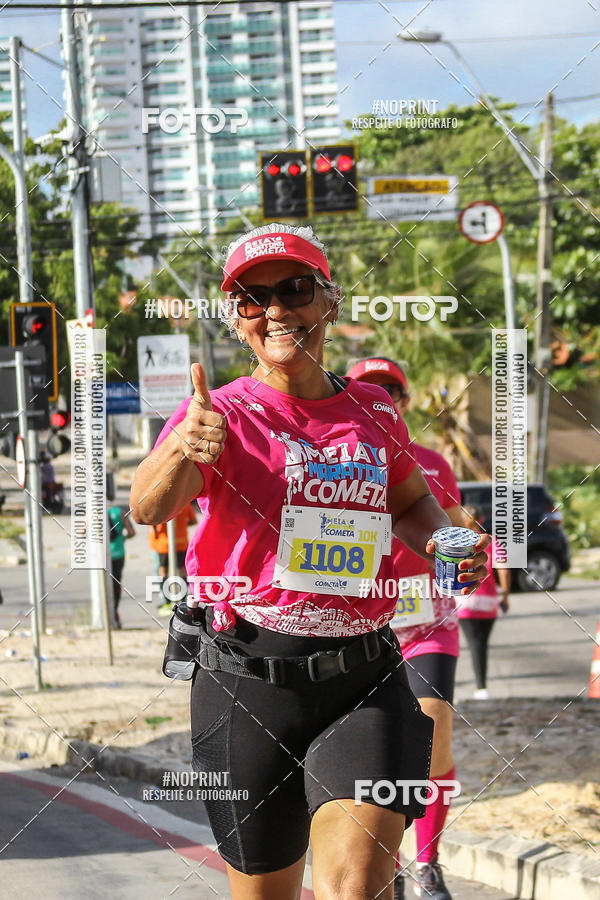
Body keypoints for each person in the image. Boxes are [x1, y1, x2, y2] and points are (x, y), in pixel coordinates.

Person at [130, 223, 490, 900]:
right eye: (252, 299)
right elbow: (148, 507)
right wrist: (181, 446)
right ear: (235, 318)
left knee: (357, 885)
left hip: (364, 678)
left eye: (294, 289)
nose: (275, 311)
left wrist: (443, 541)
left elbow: (411, 503)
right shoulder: (220, 415)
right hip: (247, 684)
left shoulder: (374, 410)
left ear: (330, 299)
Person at [347, 357, 466, 900]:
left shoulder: (434, 465)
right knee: (382, 753)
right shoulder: (337, 464)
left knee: (433, 736)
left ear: (405, 401)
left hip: (428, 623)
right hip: (363, 625)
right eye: (369, 390)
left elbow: (452, 532)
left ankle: (428, 864)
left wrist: (466, 551)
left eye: (391, 391)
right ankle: (390, 864)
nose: (382, 400)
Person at [458, 505, 510, 699]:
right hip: (489, 601)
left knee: (474, 643)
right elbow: (504, 569)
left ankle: (480, 687)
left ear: (463, 521)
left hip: (465, 601)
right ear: (481, 519)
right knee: (482, 643)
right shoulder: (491, 541)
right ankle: (482, 686)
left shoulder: (458, 542)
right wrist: (505, 595)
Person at [148, 502, 198, 613]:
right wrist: (181, 525)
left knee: (163, 571)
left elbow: (153, 523)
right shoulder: (185, 503)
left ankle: (167, 601)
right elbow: (193, 520)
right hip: (181, 542)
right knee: (182, 570)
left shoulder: (161, 505)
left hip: (164, 544)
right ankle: (184, 599)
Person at [107, 482, 136, 629]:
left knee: (104, 585)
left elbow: (82, 532)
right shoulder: (120, 512)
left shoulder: (93, 512)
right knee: (116, 583)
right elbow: (131, 532)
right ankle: (115, 612)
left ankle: (106, 614)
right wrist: (123, 538)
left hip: (102, 556)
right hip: (118, 553)